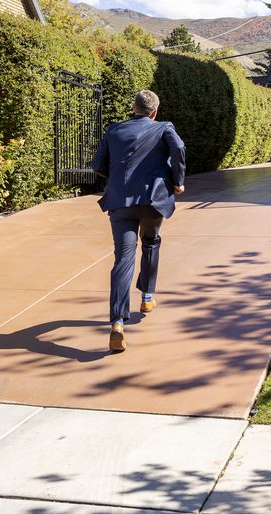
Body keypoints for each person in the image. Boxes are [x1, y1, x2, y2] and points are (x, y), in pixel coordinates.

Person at [92, 90, 186, 353]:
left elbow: (98, 164)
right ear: (154, 111)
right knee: (151, 242)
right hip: (153, 201)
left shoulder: (114, 130)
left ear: (134, 109)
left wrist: (116, 178)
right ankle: (146, 297)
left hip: (121, 203)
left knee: (123, 259)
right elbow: (178, 148)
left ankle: (118, 324)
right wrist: (178, 182)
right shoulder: (164, 127)